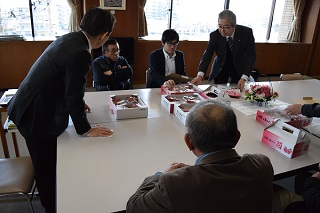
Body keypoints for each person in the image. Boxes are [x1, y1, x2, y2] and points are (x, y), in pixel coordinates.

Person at [7, 7, 115, 213]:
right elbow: (73, 95)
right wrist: (85, 128)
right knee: (46, 168)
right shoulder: (81, 53)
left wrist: (77, 101)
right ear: (103, 36)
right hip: (34, 114)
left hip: (28, 102)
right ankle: (51, 207)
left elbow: (63, 80)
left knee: (48, 164)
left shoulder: (71, 38)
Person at [126, 100, 274, 213]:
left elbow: (133, 207)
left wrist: (161, 176)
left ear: (188, 142)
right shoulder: (262, 164)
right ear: (237, 138)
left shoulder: (173, 184)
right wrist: (197, 172)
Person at [191, 9, 256, 91]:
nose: (222, 30)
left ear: (234, 25)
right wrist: (199, 75)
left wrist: (244, 77)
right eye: (220, 26)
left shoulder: (246, 33)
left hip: (239, 67)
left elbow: (251, 56)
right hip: (221, 67)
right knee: (218, 92)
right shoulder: (214, 36)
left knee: (238, 91)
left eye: (225, 27)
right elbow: (207, 55)